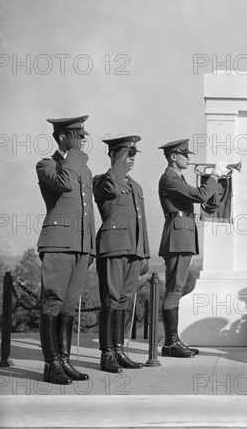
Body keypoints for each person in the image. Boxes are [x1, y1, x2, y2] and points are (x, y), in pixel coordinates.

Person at [36, 115, 96, 385]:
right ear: (62, 137)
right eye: (77, 135)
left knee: (69, 306)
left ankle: (65, 360)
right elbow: (64, 184)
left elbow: (88, 211)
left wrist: (90, 247)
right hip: (58, 242)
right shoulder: (47, 164)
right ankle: (52, 365)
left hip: (81, 245)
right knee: (53, 302)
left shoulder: (83, 168)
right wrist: (73, 155)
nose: (83, 140)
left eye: (83, 136)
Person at [157, 139, 228, 358]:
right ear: (173, 157)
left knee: (176, 289)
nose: (188, 158)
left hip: (183, 235)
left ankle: (173, 341)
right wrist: (215, 176)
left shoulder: (178, 177)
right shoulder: (170, 178)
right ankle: (171, 343)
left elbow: (203, 199)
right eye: (184, 154)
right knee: (174, 290)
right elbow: (198, 196)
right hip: (177, 237)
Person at [93, 136, 150, 373]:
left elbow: (142, 223)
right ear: (114, 156)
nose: (131, 159)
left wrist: (144, 252)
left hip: (133, 250)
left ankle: (118, 349)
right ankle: (107, 354)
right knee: (112, 299)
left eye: (133, 154)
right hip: (113, 247)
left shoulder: (136, 186)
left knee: (125, 300)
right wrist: (118, 166)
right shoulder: (102, 181)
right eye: (126, 154)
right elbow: (111, 189)